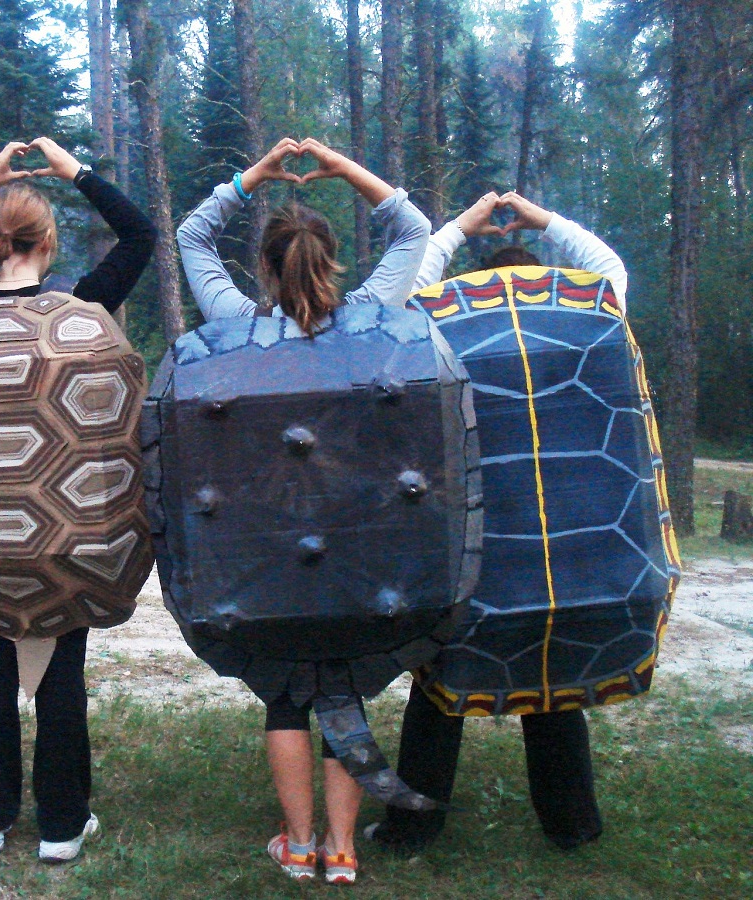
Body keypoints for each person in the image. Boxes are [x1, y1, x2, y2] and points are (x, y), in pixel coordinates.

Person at [176, 137, 431, 884]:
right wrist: (345, 166)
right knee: (342, 681)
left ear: (264, 265)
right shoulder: (371, 317)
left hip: (265, 534)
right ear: (332, 262)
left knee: (288, 691)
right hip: (357, 535)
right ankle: (344, 851)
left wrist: (251, 175)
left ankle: (298, 842)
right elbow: (413, 230)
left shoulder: (234, 324)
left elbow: (192, 235)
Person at [0, 138, 154, 861]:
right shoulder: (79, 309)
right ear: (47, 243)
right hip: (66, 530)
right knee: (60, 669)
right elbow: (140, 233)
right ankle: (60, 824)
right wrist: (77, 170)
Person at [365, 190, 624, 853]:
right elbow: (610, 271)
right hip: (555, 539)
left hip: (472, 540)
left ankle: (412, 830)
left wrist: (455, 229)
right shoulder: (581, 324)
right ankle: (574, 825)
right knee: (551, 677)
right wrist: (546, 218)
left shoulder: (449, 330)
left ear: (479, 288)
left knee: (441, 683)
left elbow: (403, 300)